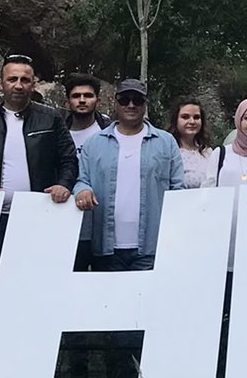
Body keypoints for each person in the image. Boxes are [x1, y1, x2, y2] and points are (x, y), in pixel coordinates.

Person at [71, 80, 185, 271]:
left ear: (145, 104)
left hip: (152, 246)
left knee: (148, 300)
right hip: (106, 248)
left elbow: (178, 189)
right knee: (107, 301)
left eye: (137, 100)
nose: (131, 105)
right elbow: (82, 180)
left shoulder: (166, 142)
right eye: (124, 100)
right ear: (115, 103)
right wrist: (83, 191)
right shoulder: (94, 143)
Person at [0, 55, 78, 210]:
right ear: (1, 83)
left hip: (40, 208)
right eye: (12, 79)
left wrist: (64, 184)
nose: (18, 86)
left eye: (25, 80)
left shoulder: (51, 118)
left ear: (33, 85)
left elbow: (68, 159)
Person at [170, 99, 221, 188]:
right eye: (185, 117)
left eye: (196, 117)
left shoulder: (208, 152)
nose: (192, 122)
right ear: (176, 120)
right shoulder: (169, 151)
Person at [64, 75, 109, 152]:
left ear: (97, 101)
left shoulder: (110, 131)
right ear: (68, 102)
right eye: (76, 96)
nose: (82, 100)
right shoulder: (58, 133)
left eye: (88, 96)